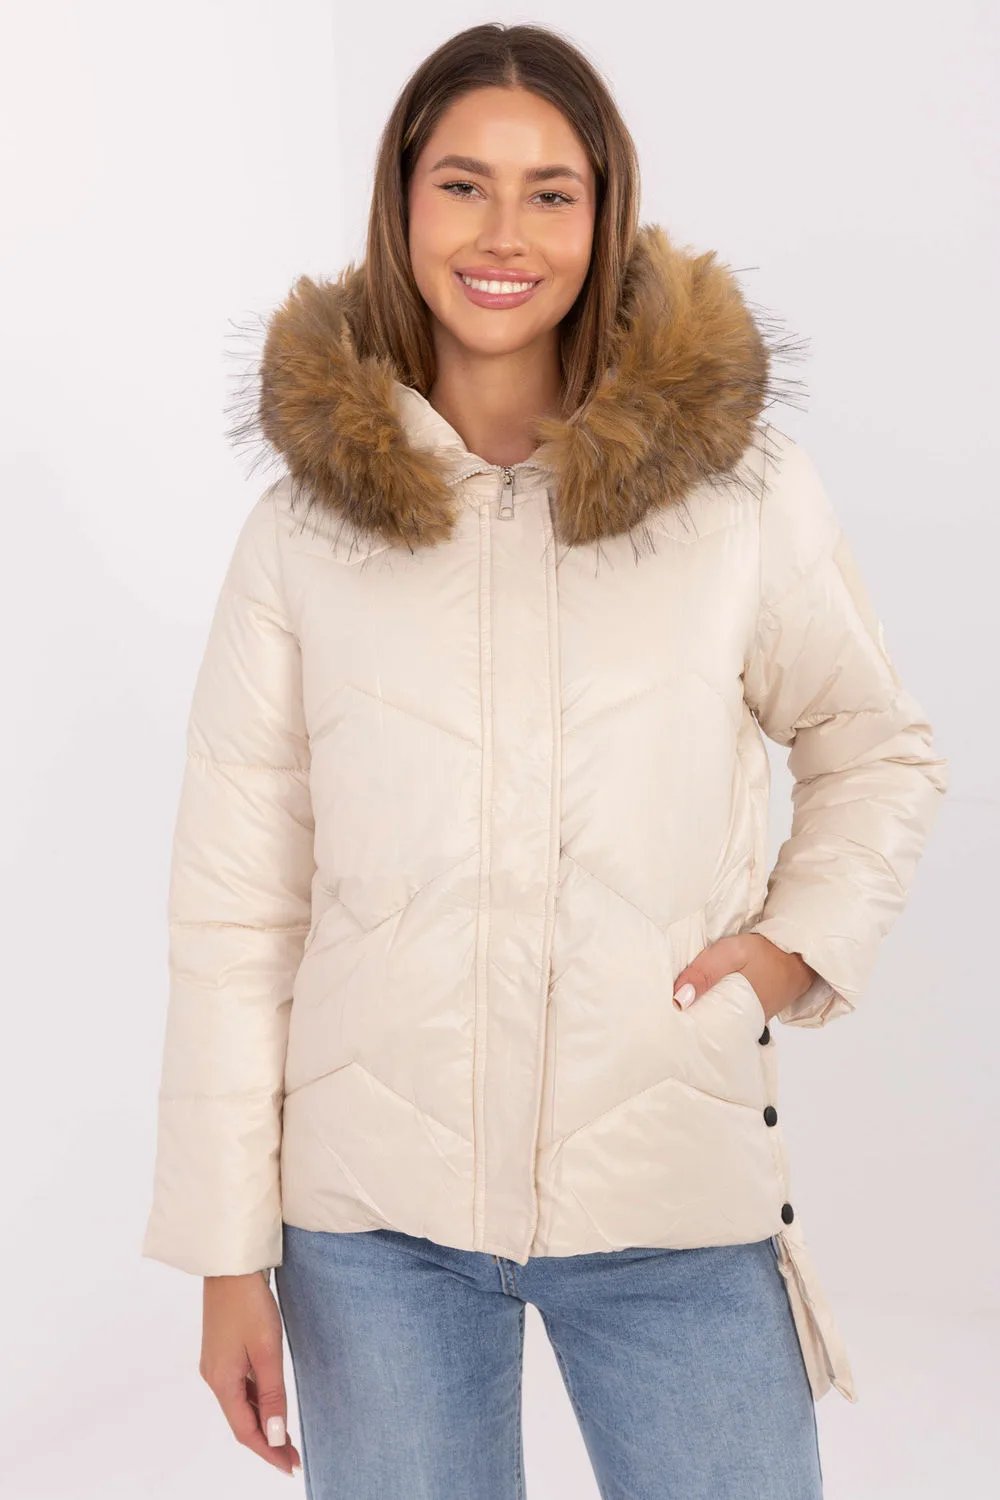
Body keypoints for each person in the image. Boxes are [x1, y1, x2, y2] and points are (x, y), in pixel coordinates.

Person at [141, 21, 948, 1499]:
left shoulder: (734, 492)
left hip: (671, 1186)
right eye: (463, 185)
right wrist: (224, 1257)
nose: (504, 234)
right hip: (370, 1228)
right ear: (400, 203)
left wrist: (790, 952)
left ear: (605, 212)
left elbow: (875, 743)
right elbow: (237, 909)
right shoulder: (303, 531)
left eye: (551, 192)